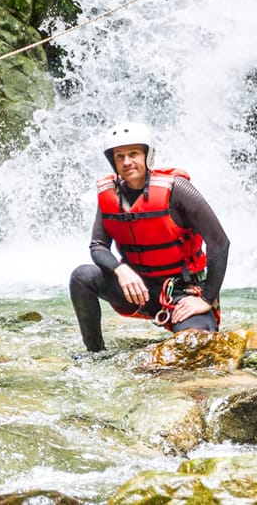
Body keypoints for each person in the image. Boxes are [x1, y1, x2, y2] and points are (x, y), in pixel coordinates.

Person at [69, 122, 229, 352]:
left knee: (196, 348)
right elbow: (98, 245)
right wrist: (120, 270)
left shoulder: (177, 189)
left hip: (182, 293)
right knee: (82, 277)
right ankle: (96, 353)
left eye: (133, 154)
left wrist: (205, 298)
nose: (126, 162)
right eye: (119, 156)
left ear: (148, 155)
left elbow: (220, 243)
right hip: (137, 290)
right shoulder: (110, 195)